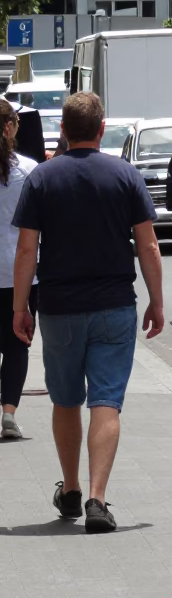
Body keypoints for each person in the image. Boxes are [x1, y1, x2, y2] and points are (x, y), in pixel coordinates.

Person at [11, 92, 165, 534]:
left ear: (63, 130)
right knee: (106, 402)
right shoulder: (125, 175)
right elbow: (148, 245)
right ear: (101, 129)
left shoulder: (42, 178)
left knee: (65, 400)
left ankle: (72, 488)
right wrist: (156, 299)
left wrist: (20, 308)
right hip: (114, 305)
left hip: (59, 308)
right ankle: (98, 497)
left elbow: (26, 250)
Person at [0, 101, 38, 438]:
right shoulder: (29, 172)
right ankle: (8, 414)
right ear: (11, 128)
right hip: (19, 274)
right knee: (16, 345)